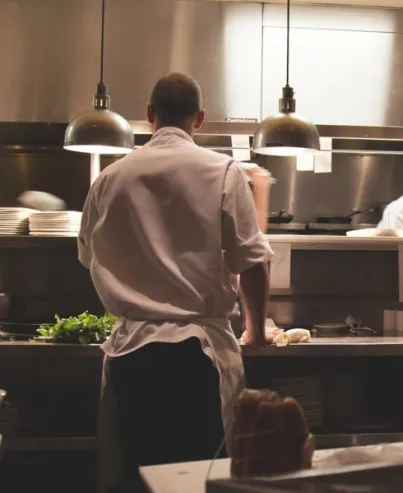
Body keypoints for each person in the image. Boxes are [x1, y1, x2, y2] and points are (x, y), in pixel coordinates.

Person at [78, 73, 274, 493]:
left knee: (139, 479)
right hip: (196, 358)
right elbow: (253, 260)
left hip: (132, 356)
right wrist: (256, 330)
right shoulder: (222, 170)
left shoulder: (111, 177)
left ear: (150, 115)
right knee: (199, 482)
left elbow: (88, 256)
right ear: (199, 118)